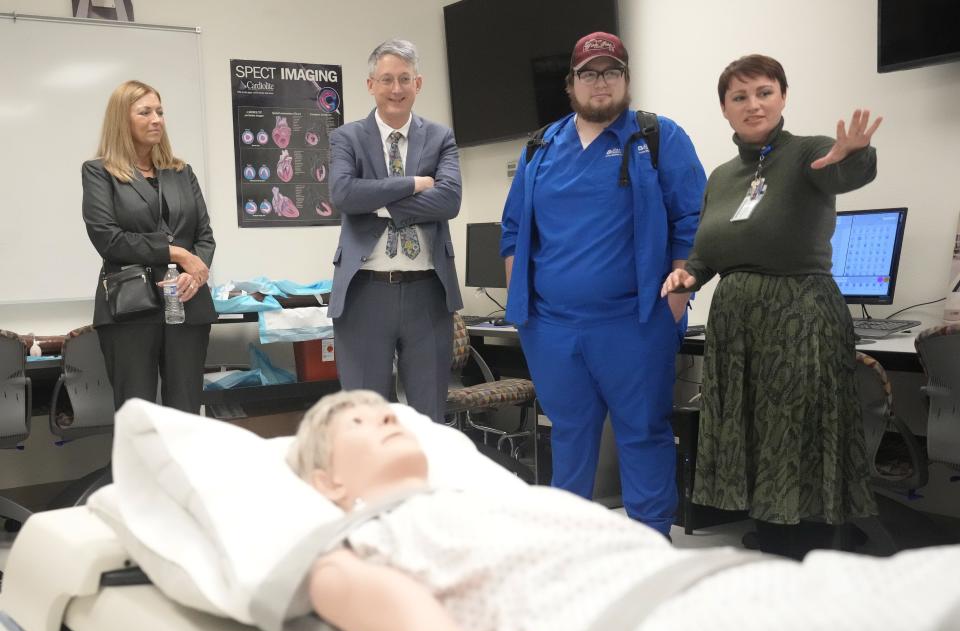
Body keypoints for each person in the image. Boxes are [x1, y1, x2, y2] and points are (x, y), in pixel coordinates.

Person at [286, 390, 960, 631]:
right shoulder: (361, 535)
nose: (383, 416)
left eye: (385, 410)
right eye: (356, 419)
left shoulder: (491, 499)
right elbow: (388, 618)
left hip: (706, 585)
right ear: (327, 478)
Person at [661, 55, 883, 557]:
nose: (752, 104)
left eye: (763, 92)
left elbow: (845, 173)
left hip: (798, 321)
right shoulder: (720, 177)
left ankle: (808, 553)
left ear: (782, 97)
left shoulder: (810, 153)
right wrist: (687, 274)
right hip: (738, 330)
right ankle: (772, 544)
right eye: (739, 97)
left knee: (796, 435)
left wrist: (855, 154)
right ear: (724, 109)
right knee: (755, 437)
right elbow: (708, 252)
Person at [499, 32, 706, 534]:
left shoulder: (658, 137)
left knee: (643, 434)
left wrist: (675, 304)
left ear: (626, 80)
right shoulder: (540, 147)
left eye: (611, 72)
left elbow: (694, 221)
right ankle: (571, 547)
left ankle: (649, 546)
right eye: (588, 73)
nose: (601, 83)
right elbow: (512, 231)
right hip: (552, 330)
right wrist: (526, 312)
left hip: (634, 324)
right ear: (571, 84)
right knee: (569, 436)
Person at [329, 39, 463, 423]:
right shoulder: (347, 138)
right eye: (386, 79)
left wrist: (374, 199)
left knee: (429, 420)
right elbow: (343, 194)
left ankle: (424, 485)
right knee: (364, 419)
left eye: (405, 79)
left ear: (418, 84)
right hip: (365, 293)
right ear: (370, 85)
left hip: (428, 293)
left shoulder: (441, 138)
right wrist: (412, 184)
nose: (396, 89)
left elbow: (449, 202)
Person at [82, 80, 215, 413]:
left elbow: (204, 236)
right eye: (145, 112)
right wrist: (177, 253)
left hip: (187, 304)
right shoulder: (100, 173)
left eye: (160, 111)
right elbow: (108, 239)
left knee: (185, 411)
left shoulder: (182, 173)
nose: (156, 119)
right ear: (121, 119)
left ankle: (180, 468)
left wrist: (193, 275)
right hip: (131, 309)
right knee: (137, 414)